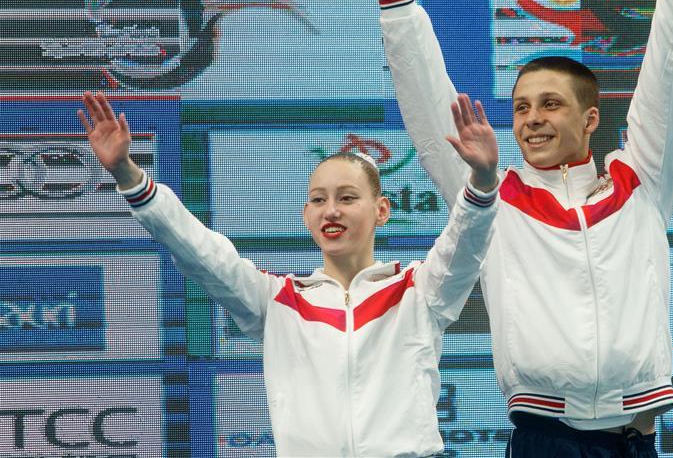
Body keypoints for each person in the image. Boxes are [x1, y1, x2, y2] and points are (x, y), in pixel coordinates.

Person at [332, 0, 673, 456]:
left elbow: (670, 75)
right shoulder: (491, 196)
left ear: (590, 119)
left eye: (551, 105)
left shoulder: (641, 182)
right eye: (522, 107)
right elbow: (424, 96)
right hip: (545, 440)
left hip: (638, 439)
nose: (531, 119)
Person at [77, 90, 500, 457]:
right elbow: (201, 252)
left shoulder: (418, 290)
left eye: (347, 198)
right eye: (318, 200)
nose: (331, 211)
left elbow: (465, 243)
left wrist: (482, 180)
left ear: (382, 210)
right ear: (305, 215)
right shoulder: (278, 300)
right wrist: (128, 174)